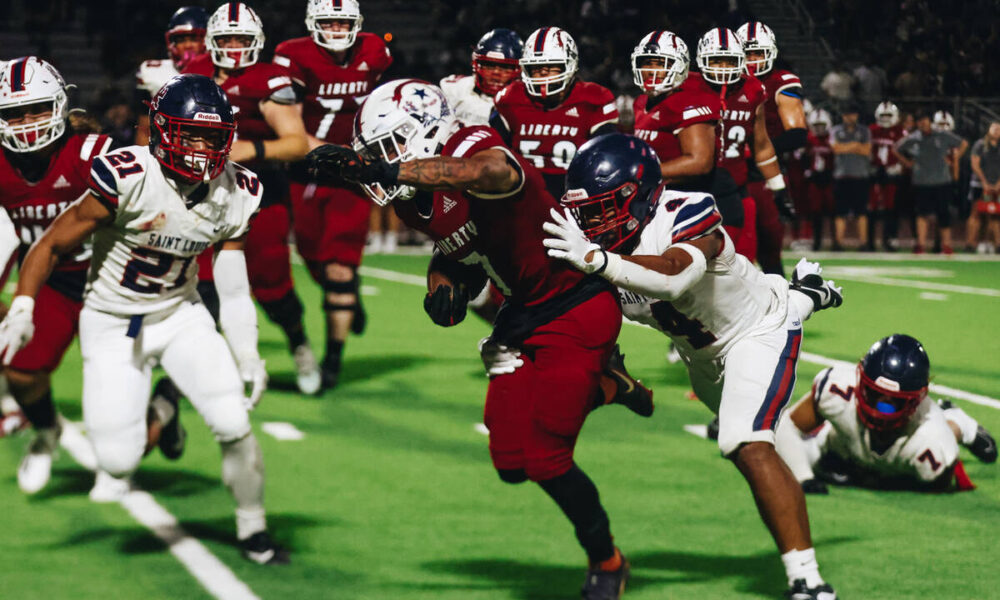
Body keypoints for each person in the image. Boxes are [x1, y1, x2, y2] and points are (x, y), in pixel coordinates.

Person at [308, 79, 652, 600]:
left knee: (546, 459)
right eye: (375, 155)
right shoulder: (412, 202)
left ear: (421, 131)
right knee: (510, 462)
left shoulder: (469, 142)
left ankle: (607, 559)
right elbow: (456, 254)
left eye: (387, 148)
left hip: (574, 305)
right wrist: (441, 290)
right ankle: (609, 384)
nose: (380, 163)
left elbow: (487, 173)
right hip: (520, 315)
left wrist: (388, 169)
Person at [0, 74, 288, 564]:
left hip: (180, 314)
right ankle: (160, 414)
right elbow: (50, 243)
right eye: (188, 134)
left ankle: (253, 528)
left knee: (233, 421)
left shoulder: (240, 190)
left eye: (212, 137)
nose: (199, 149)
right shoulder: (128, 175)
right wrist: (25, 304)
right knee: (116, 459)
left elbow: (235, 284)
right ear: (160, 131)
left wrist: (247, 353)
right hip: (111, 322)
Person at [542, 133, 842, 600]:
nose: (588, 223)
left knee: (746, 441)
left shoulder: (686, 209)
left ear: (636, 194)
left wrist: (599, 260)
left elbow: (675, 276)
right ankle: (806, 293)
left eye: (600, 208)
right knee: (748, 426)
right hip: (702, 356)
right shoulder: (591, 248)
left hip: (758, 332)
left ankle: (808, 581)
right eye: (583, 211)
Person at [186, 2, 319, 392]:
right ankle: (211, 369)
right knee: (201, 283)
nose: (233, 45)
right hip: (204, 193)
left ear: (257, 41)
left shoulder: (271, 79)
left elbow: (296, 143)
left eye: (240, 38)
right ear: (211, 41)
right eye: (225, 38)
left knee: (271, 284)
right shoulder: (193, 75)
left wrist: (253, 150)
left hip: (259, 193)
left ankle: (297, 340)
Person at [0, 57, 108, 495]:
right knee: (20, 372)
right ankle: (46, 434)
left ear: (61, 106)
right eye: (13, 114)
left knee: (117, 405)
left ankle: (163, 410)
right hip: (54, 282)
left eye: (37, 110)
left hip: (111, 282)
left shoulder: (90, 151)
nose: (26, 124)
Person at [273, 0, 392, 389]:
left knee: (340, 267)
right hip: (306, 168)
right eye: (330, 23)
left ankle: (333, 361)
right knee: (313, 259)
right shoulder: (292, 55)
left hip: (353, 175)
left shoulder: (373, 50)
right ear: (313, 23)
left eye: (344, 23)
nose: (338, 31)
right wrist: (324, 152)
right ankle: (346, 295)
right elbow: (285, 119)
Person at [776, 334, 996, 494]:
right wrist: (805, 478)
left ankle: (957, 421)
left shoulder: (933, 441)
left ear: (917, 400)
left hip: (898, 462)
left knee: (928, 479)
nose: (882, 408)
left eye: (895, 402)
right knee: (789, 452)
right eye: (874, 394)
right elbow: (788, 425)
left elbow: (941, 482)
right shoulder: (839, 388)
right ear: (860, 380)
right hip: (842, 449)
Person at [689, 27, 792, 263]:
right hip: (693, 191)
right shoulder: (687, 86)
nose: (723, 69)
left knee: (742, 264)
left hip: (735, 189)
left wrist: (778, 187)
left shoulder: (753, 89)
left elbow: (762, 144)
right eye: (716, 62)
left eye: (730, 61)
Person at [492, 26, 620, 200]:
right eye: (536, 67)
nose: (543, 73)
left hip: (575, 196)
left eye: (551, 66)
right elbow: (494, 155)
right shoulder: (511, 98)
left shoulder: (593, 99)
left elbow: (607, 160)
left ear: (570, 65)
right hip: (521, 194)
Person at [737, 21, 808, 276]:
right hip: (727, 174)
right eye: (748, 54)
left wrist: (754, 151)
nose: (753, 60)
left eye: (758, 54)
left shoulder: (781, 82)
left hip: (763, 175)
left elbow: (798, 134)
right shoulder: (724, 82)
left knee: (769, 247)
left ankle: (779, 308)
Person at [893, 111, 968, 254]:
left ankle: (946, 245)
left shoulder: (942, 134)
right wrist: (907, 163)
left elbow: (963, 143)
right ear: (917, 123)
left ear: (929, 121)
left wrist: (954, 159)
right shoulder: (913, 138)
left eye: (925, 120)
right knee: (922, 214)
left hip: (942, 180)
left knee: (943, 213)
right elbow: (896, 148)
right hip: (922, 181)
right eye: (920, 121)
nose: (923, 123)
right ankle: (920, 245)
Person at [134, 7, 208, 146]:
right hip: (167, 149)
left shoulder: (220, 71)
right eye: (181, 39)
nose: (187, 45)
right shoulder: (153, 72)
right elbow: (144, 130)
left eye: (193, 38)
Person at [440, 28, 522, 126]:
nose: (496, 72)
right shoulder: (456, 89)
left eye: (505, 67)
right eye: (489, 65)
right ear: (476, 64)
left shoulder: (524, 102)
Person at [830, 104, 871, 250]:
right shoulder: (836, 130)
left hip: (860, 176)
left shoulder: (864, 131)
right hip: (841, 176)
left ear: (857, 115)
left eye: (852, 114)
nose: (849, 117)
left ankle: (863, 243)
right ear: (842, 116)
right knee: (840, 212)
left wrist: (845, 146)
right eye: (847, 114)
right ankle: (838, 243)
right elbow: (835, 148)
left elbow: (866, 150)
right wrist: (855, 145)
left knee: (861, 212)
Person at [868, 101, 907, 251]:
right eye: (883, 115)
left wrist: (899, 166)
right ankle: (870, 241)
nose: (885, 118)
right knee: (872, 208)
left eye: (888, 115)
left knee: (891, 209)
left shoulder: (900, 131)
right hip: (875, 172)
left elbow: (907, 152)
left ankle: (890, 239)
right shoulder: (872, 130)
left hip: (893, 174)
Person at [965, 121, 1000, 252]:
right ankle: (970, 243)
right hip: (980, 185)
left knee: (995, 214)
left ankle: (996, 244)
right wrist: (984, 182)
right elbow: (975, 164)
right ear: (988, 129)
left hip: (997, 187)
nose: (997, 131)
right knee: (976, 213)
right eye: (994, 128)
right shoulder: (980, 145)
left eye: (999, 129)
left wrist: (998, 184)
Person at [803, 109, 835, 251]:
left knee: (832, 211)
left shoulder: (832, 139)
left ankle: (835, 241)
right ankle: (817, 242)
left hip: (829, 178)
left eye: (822, 124)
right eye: (816, 125)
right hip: (815, 179)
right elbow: (804, 158)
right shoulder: (809, 139)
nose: (819, 128)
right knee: (815, 212)